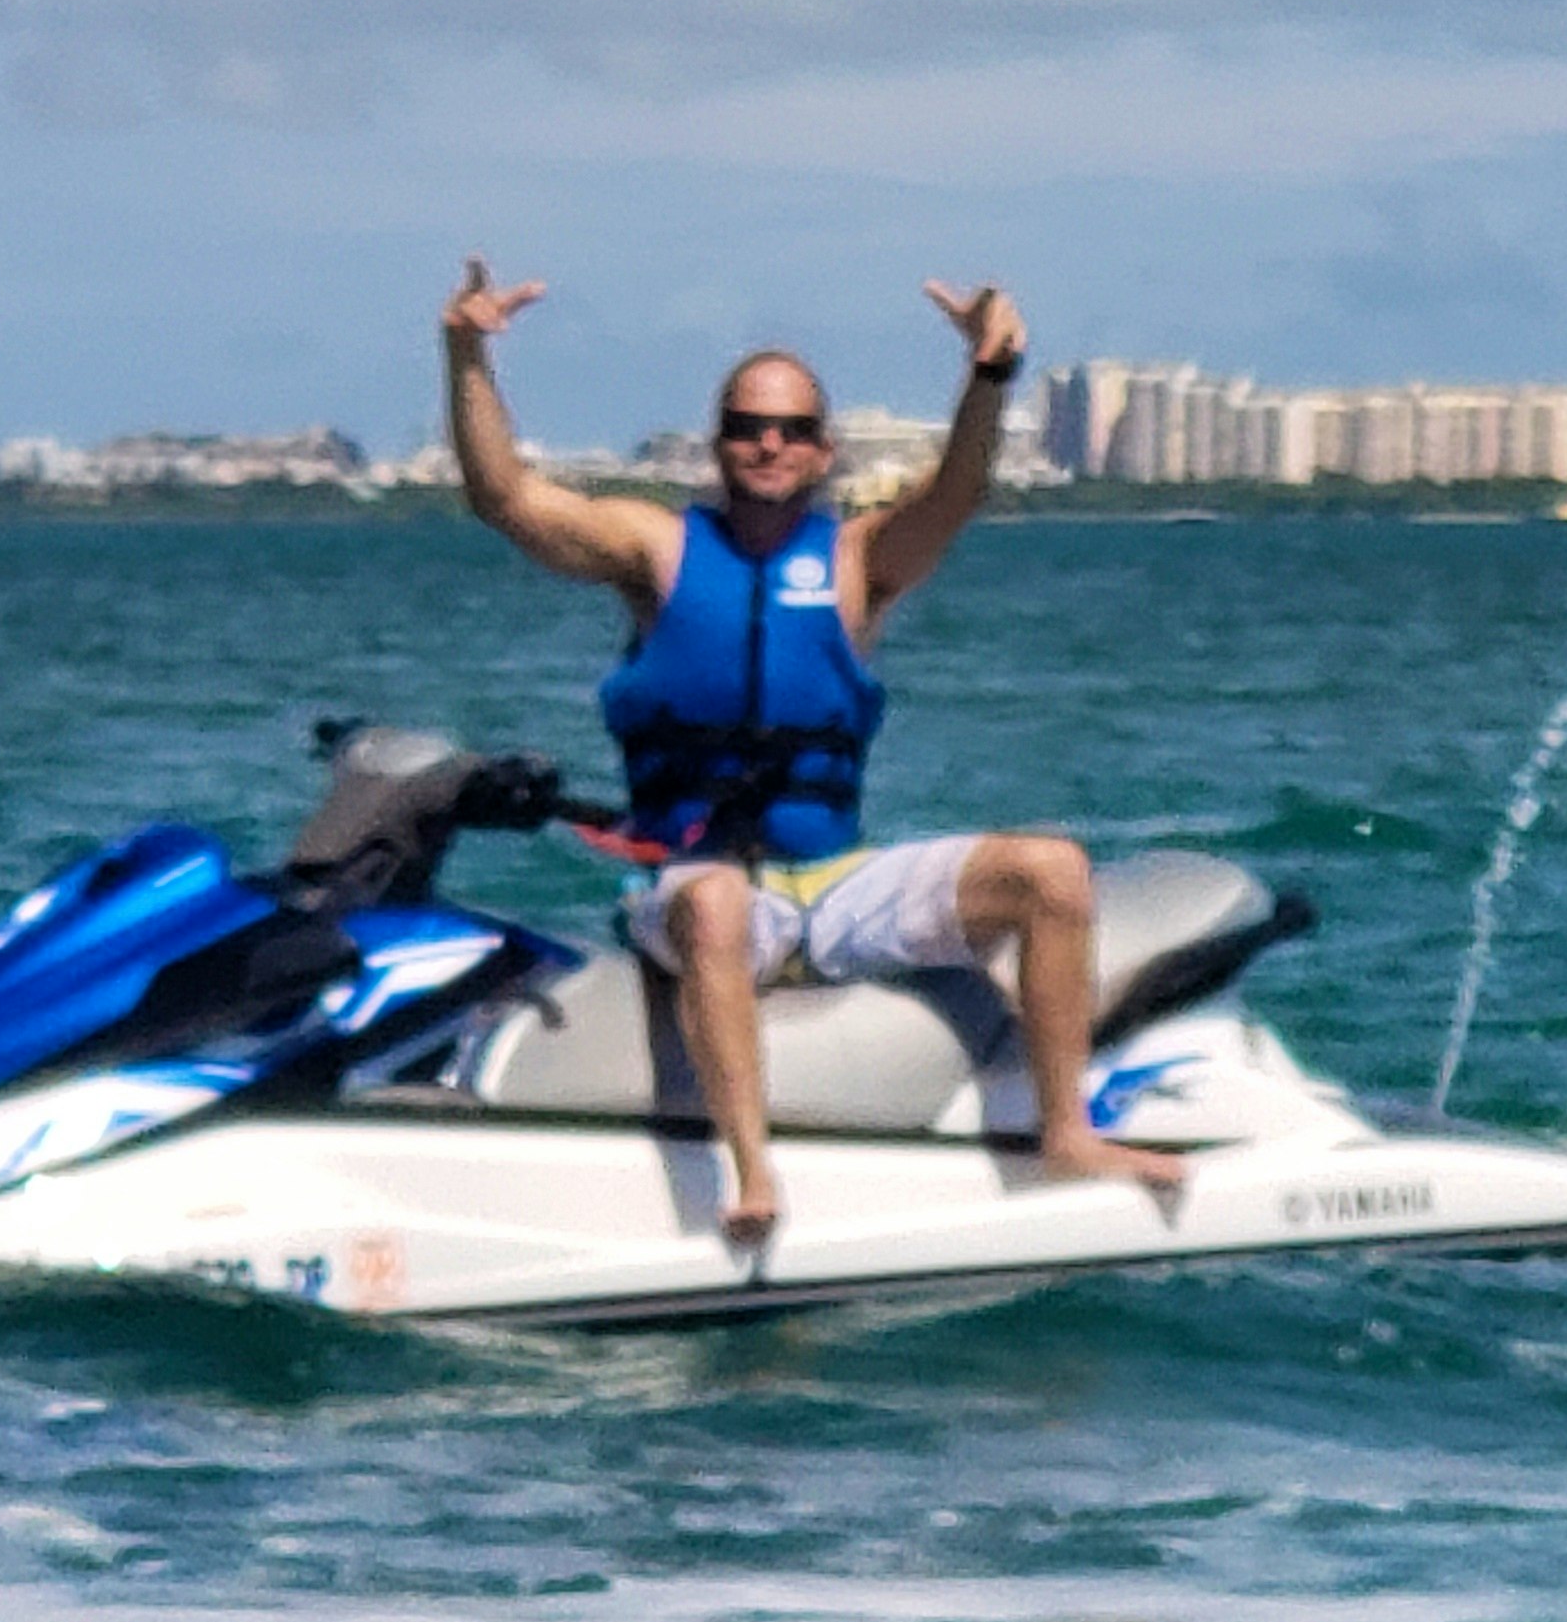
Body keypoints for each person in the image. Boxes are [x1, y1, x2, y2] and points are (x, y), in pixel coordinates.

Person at [438, 257, 1191, 1242]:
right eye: (750, 427)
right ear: (719, 445)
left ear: (824, 450)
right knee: (711, 901)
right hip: (697, 888)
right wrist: (466, 353)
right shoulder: (654, 551)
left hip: (833, 887)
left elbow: (956, 493)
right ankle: (751, 1174)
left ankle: (1066, 1131)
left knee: (1051, 871)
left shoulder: (858, 562)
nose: (770, 444)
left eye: (792, 429)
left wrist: (990, 376)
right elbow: (507, 498)